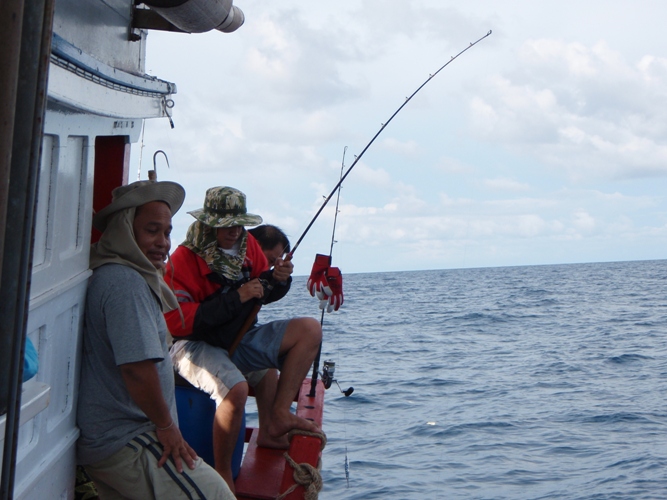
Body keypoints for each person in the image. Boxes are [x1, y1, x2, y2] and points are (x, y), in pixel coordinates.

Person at [76, 180, 233, 500]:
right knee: (215, 494)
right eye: (151, 230)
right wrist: (166, 427)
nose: (163, 242)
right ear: (124, 231)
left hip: (113, 439)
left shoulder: (116, 273)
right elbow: (137, 368)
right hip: (128, 437)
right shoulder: (126, 283)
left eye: (167, 232)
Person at [164, 187, 322, 493]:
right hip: (191, 345)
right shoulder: (183, 258)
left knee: (310, 330)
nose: (234, 232)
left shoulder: (249, 247)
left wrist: (279, 280)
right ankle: (224, 477)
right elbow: (179, 323)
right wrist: (237, 297)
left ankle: (276, 419)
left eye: (238, 224)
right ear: (209, 223)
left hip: (239, 338)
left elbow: (263, 290)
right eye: (226, 225)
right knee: (235, 389)